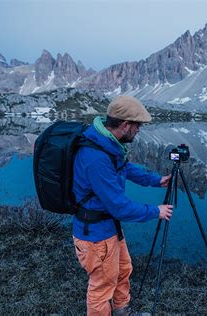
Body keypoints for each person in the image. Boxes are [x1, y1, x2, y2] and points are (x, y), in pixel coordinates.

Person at [72, 95, 173, 316]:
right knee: (101, 288)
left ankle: (121, 311)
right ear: (126, 125)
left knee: (123, 270)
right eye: (138, 126)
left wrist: (156, 180)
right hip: (96, 235)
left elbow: (125, 168)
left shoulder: (107, 143)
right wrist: (156, 211)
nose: (138, 131)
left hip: (108, 228)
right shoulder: (96, 156)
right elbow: (119, 207)